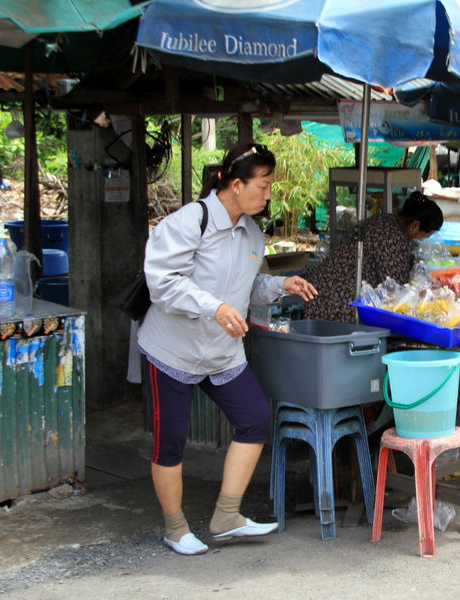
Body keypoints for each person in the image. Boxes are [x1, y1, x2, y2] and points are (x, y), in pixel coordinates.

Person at [137, 142, 318, 556]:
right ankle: (175, 527)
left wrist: (279, 285)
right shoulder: (190, 222)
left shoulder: (252, 232)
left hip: (222, 351)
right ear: (236, 185)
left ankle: (227, 516)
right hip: (173, 350)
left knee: (255, 419)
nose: (269, 194)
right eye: (265, 185)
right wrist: (213, 306)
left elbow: (247, 288)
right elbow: (162, 282)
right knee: (171, 441)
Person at [304, 191, 443, 323]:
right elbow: (397, 290)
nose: (421, 241)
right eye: (425, 236)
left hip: (323, 291)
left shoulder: (386, 220)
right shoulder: (391, 238)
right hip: (336, 301)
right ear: (415, 226)